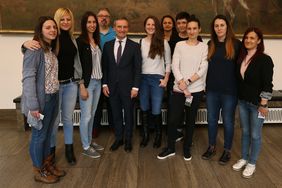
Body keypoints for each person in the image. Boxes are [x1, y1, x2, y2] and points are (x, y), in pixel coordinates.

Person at [23, 8, 83, 165]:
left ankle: (69, 150)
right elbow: (31, 52)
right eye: (62, 19)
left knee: (68, 119)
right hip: (54, 88)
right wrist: (24, 44)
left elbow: (76, 64)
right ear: (56, 21)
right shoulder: (51, 39)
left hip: (70, 84)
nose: (65, 22)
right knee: (53, 123)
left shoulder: (72, 39)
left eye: (68, 19)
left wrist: (80, 82)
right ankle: (50, 154)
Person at [157, 16, 208, 160]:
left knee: (191, 121)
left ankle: (187, 148)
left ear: (199, 30)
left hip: (196, 91)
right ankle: (171, 148)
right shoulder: (179, 45)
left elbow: (203, 67)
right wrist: (182, 83)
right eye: (189, 28)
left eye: (194, 28)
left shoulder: (204, 47)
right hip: (178, 90)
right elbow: (174, 65)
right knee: (173, 120)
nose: (191, 31)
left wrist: (189, 82)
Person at [22, 16, 65, 183]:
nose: (52, 30)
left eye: (54, 27)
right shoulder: (34, 50)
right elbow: (28, 78)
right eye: (48, 27)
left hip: (53, 97)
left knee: (47, 134)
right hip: (41, 101)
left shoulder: (50, 50)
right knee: (39, 135)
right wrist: (33, 104)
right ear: (40, 30)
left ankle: (47, 165)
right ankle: (38, 170)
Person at [232, 27, 274, 178]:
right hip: (242, 102)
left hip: (257, 104)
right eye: (246, 38)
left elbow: (267, 84)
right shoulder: (241, 58)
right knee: (245, 132)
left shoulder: (264, 59)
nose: (248, 40)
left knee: (255, 135)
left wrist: (263, 104)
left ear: (259, 41)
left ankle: (252, 162)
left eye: (252, 38)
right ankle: (244, 158)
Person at [201, 15, 241, 165]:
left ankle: (227, 150)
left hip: (230, 91)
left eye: (222, 25)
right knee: (211, 120)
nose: (219, 28)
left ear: (227, 27)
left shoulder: (236, 44)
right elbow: (205, 67)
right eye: (216, 25)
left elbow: (242, 68)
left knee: (228, 122)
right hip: (212, 90)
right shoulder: (210, 43)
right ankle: (211, 147)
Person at [102, 17, 142, 153]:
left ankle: (128, 139)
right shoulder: (107, 45)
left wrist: (136, 87)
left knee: (129, 115)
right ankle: (119, 138)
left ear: (128, 29)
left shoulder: (135, 46)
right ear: (114, 28)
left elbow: (138, 69)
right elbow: (105, 67)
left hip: (129, 88)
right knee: (116, 114)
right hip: (112, 87)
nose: (122, 29)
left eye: (125, 27)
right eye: (119, 27)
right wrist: (104, 84)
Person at [139, 16, 171, 148]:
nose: (150, 27)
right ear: (145, 26)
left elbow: (168, 63)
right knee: (144, 107)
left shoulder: (163, 42)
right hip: (143, 79)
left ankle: (158, 136)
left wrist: (166, 79)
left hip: (157, 79)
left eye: (153, 24)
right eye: (148, 24)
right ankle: (146, 135)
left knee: (157, 108)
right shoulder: (140, 42)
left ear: (156, 26)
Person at [76, 11, 104, 159]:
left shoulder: (97, 41)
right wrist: (81, 86)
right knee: (86, 116)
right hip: (87, 84)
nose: (92, 25)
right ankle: (85, 146)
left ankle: (89, 141)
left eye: (94, 22)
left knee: (92, 115)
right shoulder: (80, 42)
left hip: (98, 82)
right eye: (89, 22)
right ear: (84, 24)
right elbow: (78, 65)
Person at [92, 8, 116, 138]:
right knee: (96, 104)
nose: (103, 18)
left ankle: (114, 127)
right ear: (97, 18)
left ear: (110, 18)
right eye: (101, 16)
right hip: (96, 74)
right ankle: (95, 128)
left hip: (112, 74)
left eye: (106, 16)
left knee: (112, 103)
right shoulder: (92, 33)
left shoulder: (115, 32)